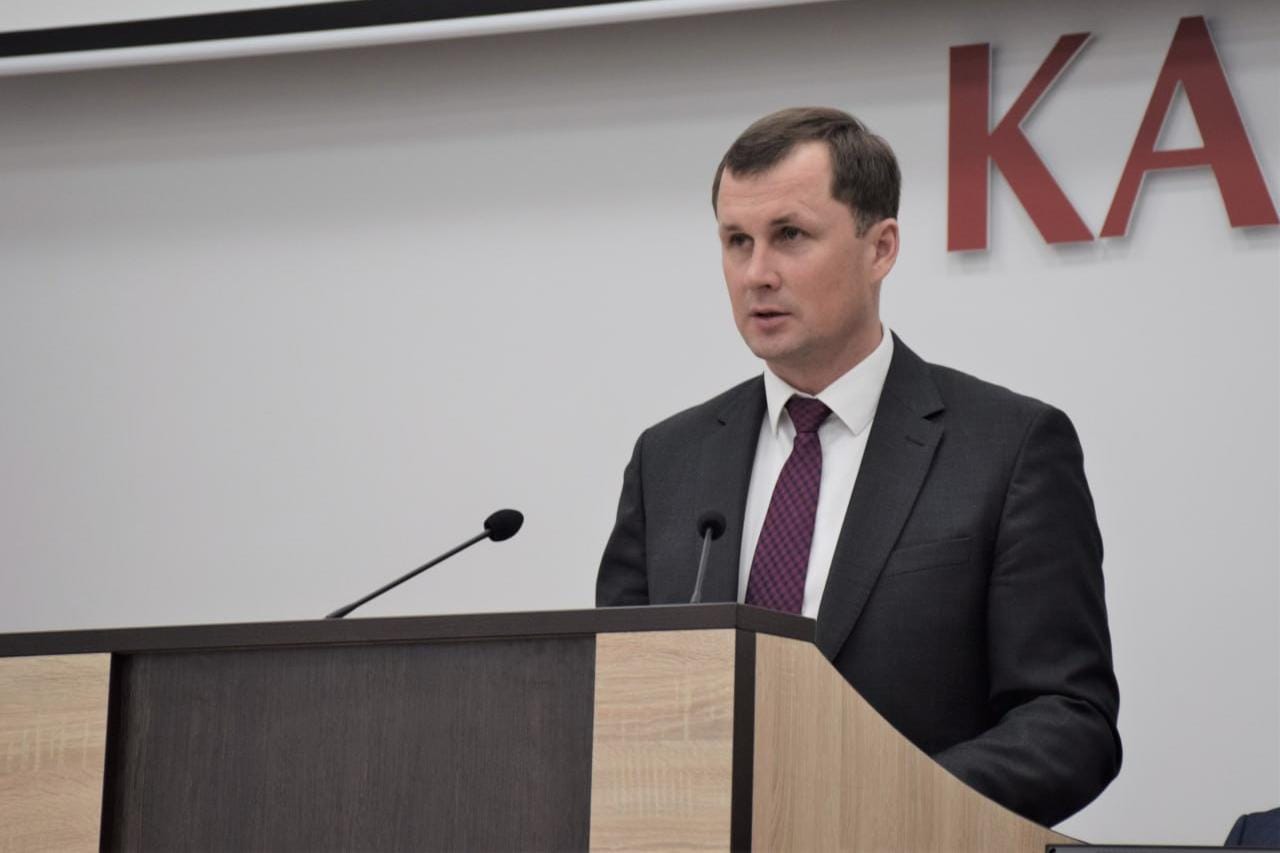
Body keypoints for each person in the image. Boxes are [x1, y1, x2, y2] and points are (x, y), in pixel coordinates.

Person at [595, 107, 1121, 827]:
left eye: (790, 235)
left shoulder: (1009, 447)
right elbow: (614, 705)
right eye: (737, 241)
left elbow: (1068, 721)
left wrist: (881, 806)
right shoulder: (669, 460)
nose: (757, 274)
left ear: (880, 248)